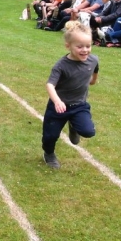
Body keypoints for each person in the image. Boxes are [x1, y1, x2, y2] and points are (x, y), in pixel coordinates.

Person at [42, 22, 99, 169]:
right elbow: (50, 85)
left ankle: (74, 125)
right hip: (59, 107)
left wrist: (93, 80)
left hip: (79, 105)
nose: (85, 50)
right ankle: (49, 154)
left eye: (88, 46)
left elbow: (95, 69)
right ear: (68, 46)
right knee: (50, 136)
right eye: (79, 47)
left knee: (88, 131)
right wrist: (57, 101)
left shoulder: (93, 60)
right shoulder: (61, 66)